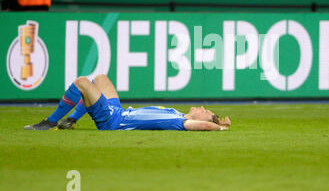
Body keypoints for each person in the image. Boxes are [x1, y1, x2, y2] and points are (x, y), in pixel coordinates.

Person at [24, 74, 231, 132]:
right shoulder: (176, 112)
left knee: (81, 83)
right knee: (101, 78)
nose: (202, 108)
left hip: (113, 121)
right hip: (119, 111)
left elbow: (204, 125)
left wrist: (219, 127)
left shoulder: (181, 123)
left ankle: (49, 122)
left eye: (206, 111)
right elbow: (204, 121)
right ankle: (71, 119)